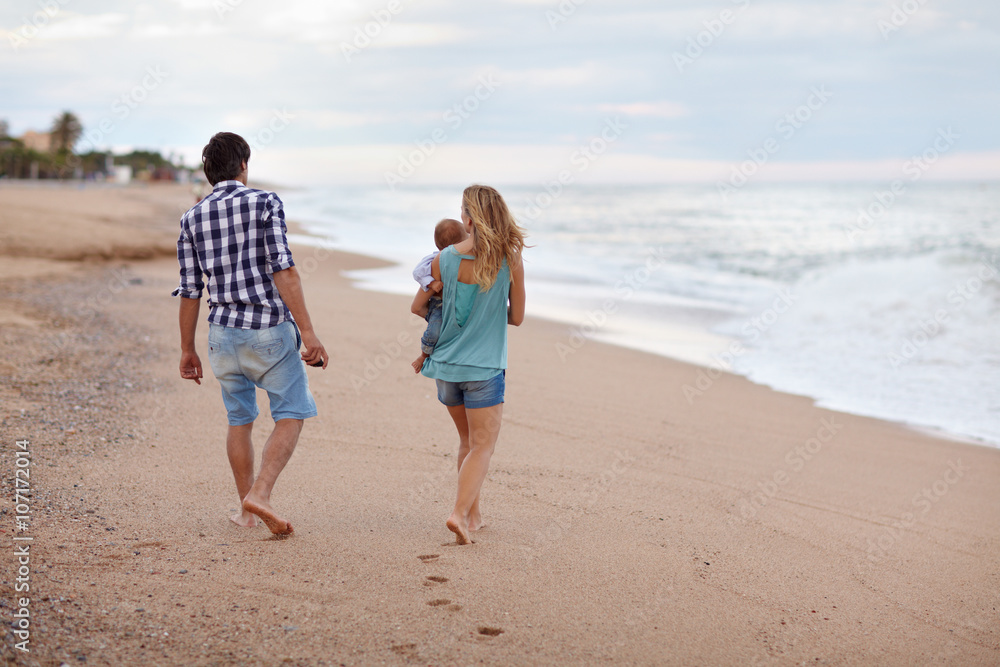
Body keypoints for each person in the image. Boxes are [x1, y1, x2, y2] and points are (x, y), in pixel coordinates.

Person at [172, 132, 328, 536]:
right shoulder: (264, 202)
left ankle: (246, 511)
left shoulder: (192, 217)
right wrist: (308, 333)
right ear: (244, 164)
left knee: (239, 420)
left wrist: (187, 350)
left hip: (221, 335)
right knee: (292, 412)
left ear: (208, 173)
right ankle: (260, 493)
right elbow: (284, 269)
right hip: (267, 331)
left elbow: (191, 290)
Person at [420, 185, 526, 545]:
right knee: (483, 446)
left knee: (467, 440)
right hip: (484, 369)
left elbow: (423, 305)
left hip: (446, 367)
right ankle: (459, 514)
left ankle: (474, 514)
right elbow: (518, 318)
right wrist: (491, 310)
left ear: (468, 217)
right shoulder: (510, 258)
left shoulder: (444, 258)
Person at [410, 218, 468, 373]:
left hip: (455, 306)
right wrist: (431, 283)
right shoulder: (436, 258)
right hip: (439, 304)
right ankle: (424, 355)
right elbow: (418, 272)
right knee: (434, 330)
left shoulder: (466, 258)